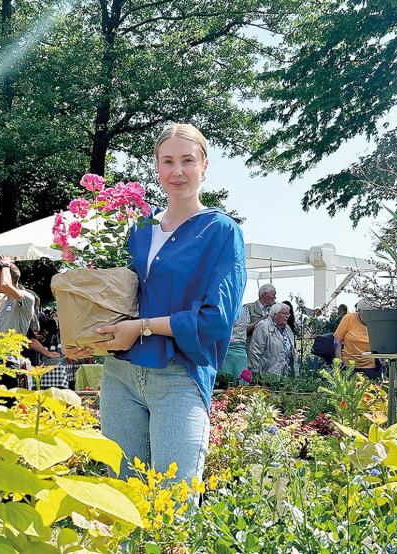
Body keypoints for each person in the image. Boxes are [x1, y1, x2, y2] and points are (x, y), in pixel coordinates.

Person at [67, 123, 246, 483]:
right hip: (120, 377)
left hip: (179, 377)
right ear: (157, 167)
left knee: (175, 506)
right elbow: (116, 299)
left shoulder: (221, 231)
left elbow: (215, 320)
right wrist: (85, 336)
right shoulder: (135, 230)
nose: (177, 171)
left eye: (187, 160)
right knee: (121, 500)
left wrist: (142, 327)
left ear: (204, 165)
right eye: (167, 161)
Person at [248, 303, 296, 381]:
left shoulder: (288, 329)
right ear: (274, 314)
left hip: (286, 377)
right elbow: (255, 352)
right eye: (284, 313)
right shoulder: (263, 326)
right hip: (268, 375)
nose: (287, 316)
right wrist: (254, 374)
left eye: (288, 313)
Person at [334, 299, 378, 379]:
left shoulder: (375, 322)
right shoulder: (348, 318)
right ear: (358, 311)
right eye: (364, 313)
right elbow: (337, 340)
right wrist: (339, 361)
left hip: (369, 366)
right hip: (349, 364)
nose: (367, 316)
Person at [219, 305, 248, 382]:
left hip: (227, 349)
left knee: (224, 386)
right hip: (238, 352)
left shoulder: (225, 306)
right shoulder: (243, 309)